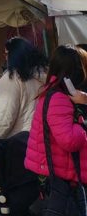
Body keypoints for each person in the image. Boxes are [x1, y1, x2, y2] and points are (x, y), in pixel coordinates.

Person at [24, 44, 87, 214]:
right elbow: (70, 141)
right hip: (63, 178)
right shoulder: (59, 98)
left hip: (63, 173)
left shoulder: (56, 93)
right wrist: (82, 125)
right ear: (76, 71)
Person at [0, 36, 47, 153]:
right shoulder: (44, 74)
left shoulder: (11, 78)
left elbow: (4, 116)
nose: (6, 58)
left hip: (19, 144)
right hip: (43, 140)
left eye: (7, 54)